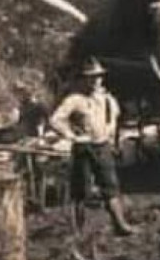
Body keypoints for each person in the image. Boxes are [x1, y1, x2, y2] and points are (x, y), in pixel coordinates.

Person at [49, 58, 138, 236]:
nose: (95, 80)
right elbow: (56, 120)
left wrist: (113, 141)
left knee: (110, 186)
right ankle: (78, 230)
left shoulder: (108, 100)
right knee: (80, 190)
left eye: (98, 77)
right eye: (90, 77)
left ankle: (120, 225)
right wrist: (71, 136)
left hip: (102, 146)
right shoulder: (75, 100)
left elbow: (113, 121)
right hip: (84, 148)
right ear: (83, 79)